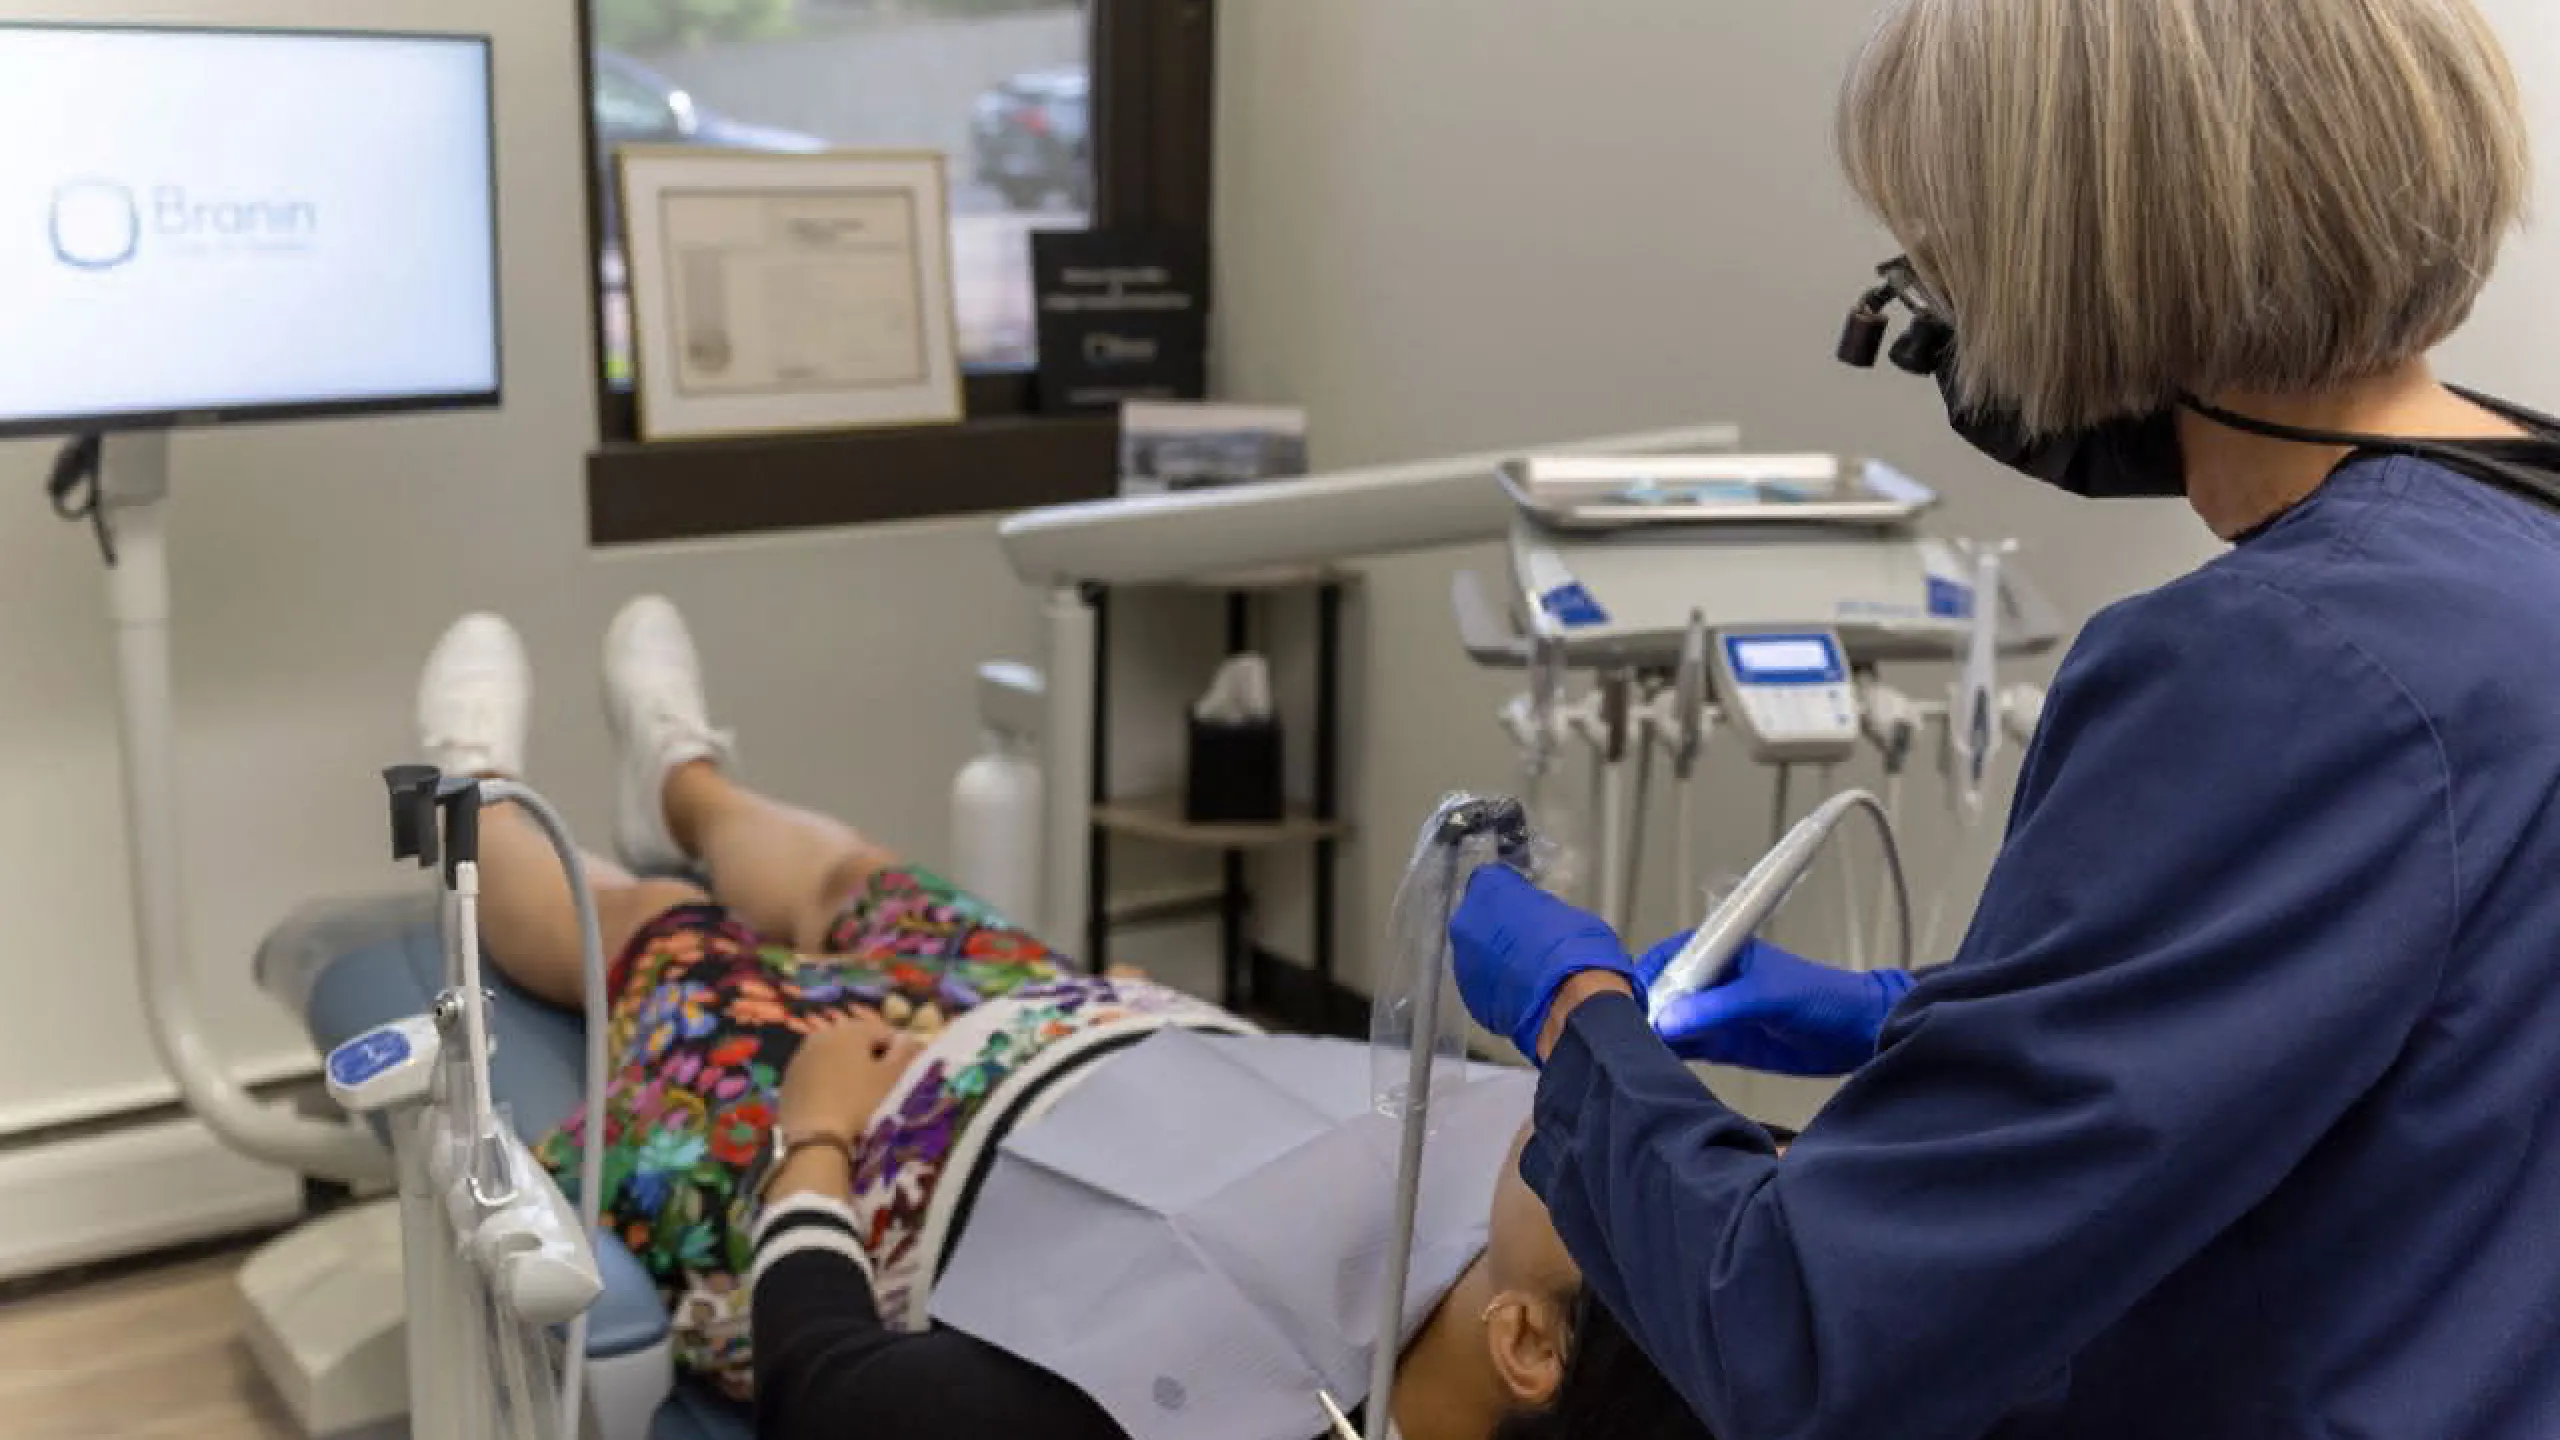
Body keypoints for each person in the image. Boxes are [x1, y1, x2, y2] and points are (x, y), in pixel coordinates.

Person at [1443, 3, 2560, 1439]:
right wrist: (1908, 1019)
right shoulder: (2514, 532)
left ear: (2068, 259)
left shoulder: (2283, 666)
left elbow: (1812, 1339)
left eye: (1941, 256)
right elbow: (2424, 1021)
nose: (1936, 311)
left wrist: (1574, 1022)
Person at [411, 597, 1717, 1440]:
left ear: (1529, 1342)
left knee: (665, 936)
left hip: (879, 1162)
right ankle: (684, 777)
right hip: (1103, 1048)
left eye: (1601, 1162)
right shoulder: (1534, 1277)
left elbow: (833, 1395)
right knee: (867, 887)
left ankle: (476, 799)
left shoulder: (1161, 1407)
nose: (1598, 1106)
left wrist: (814, 1140)